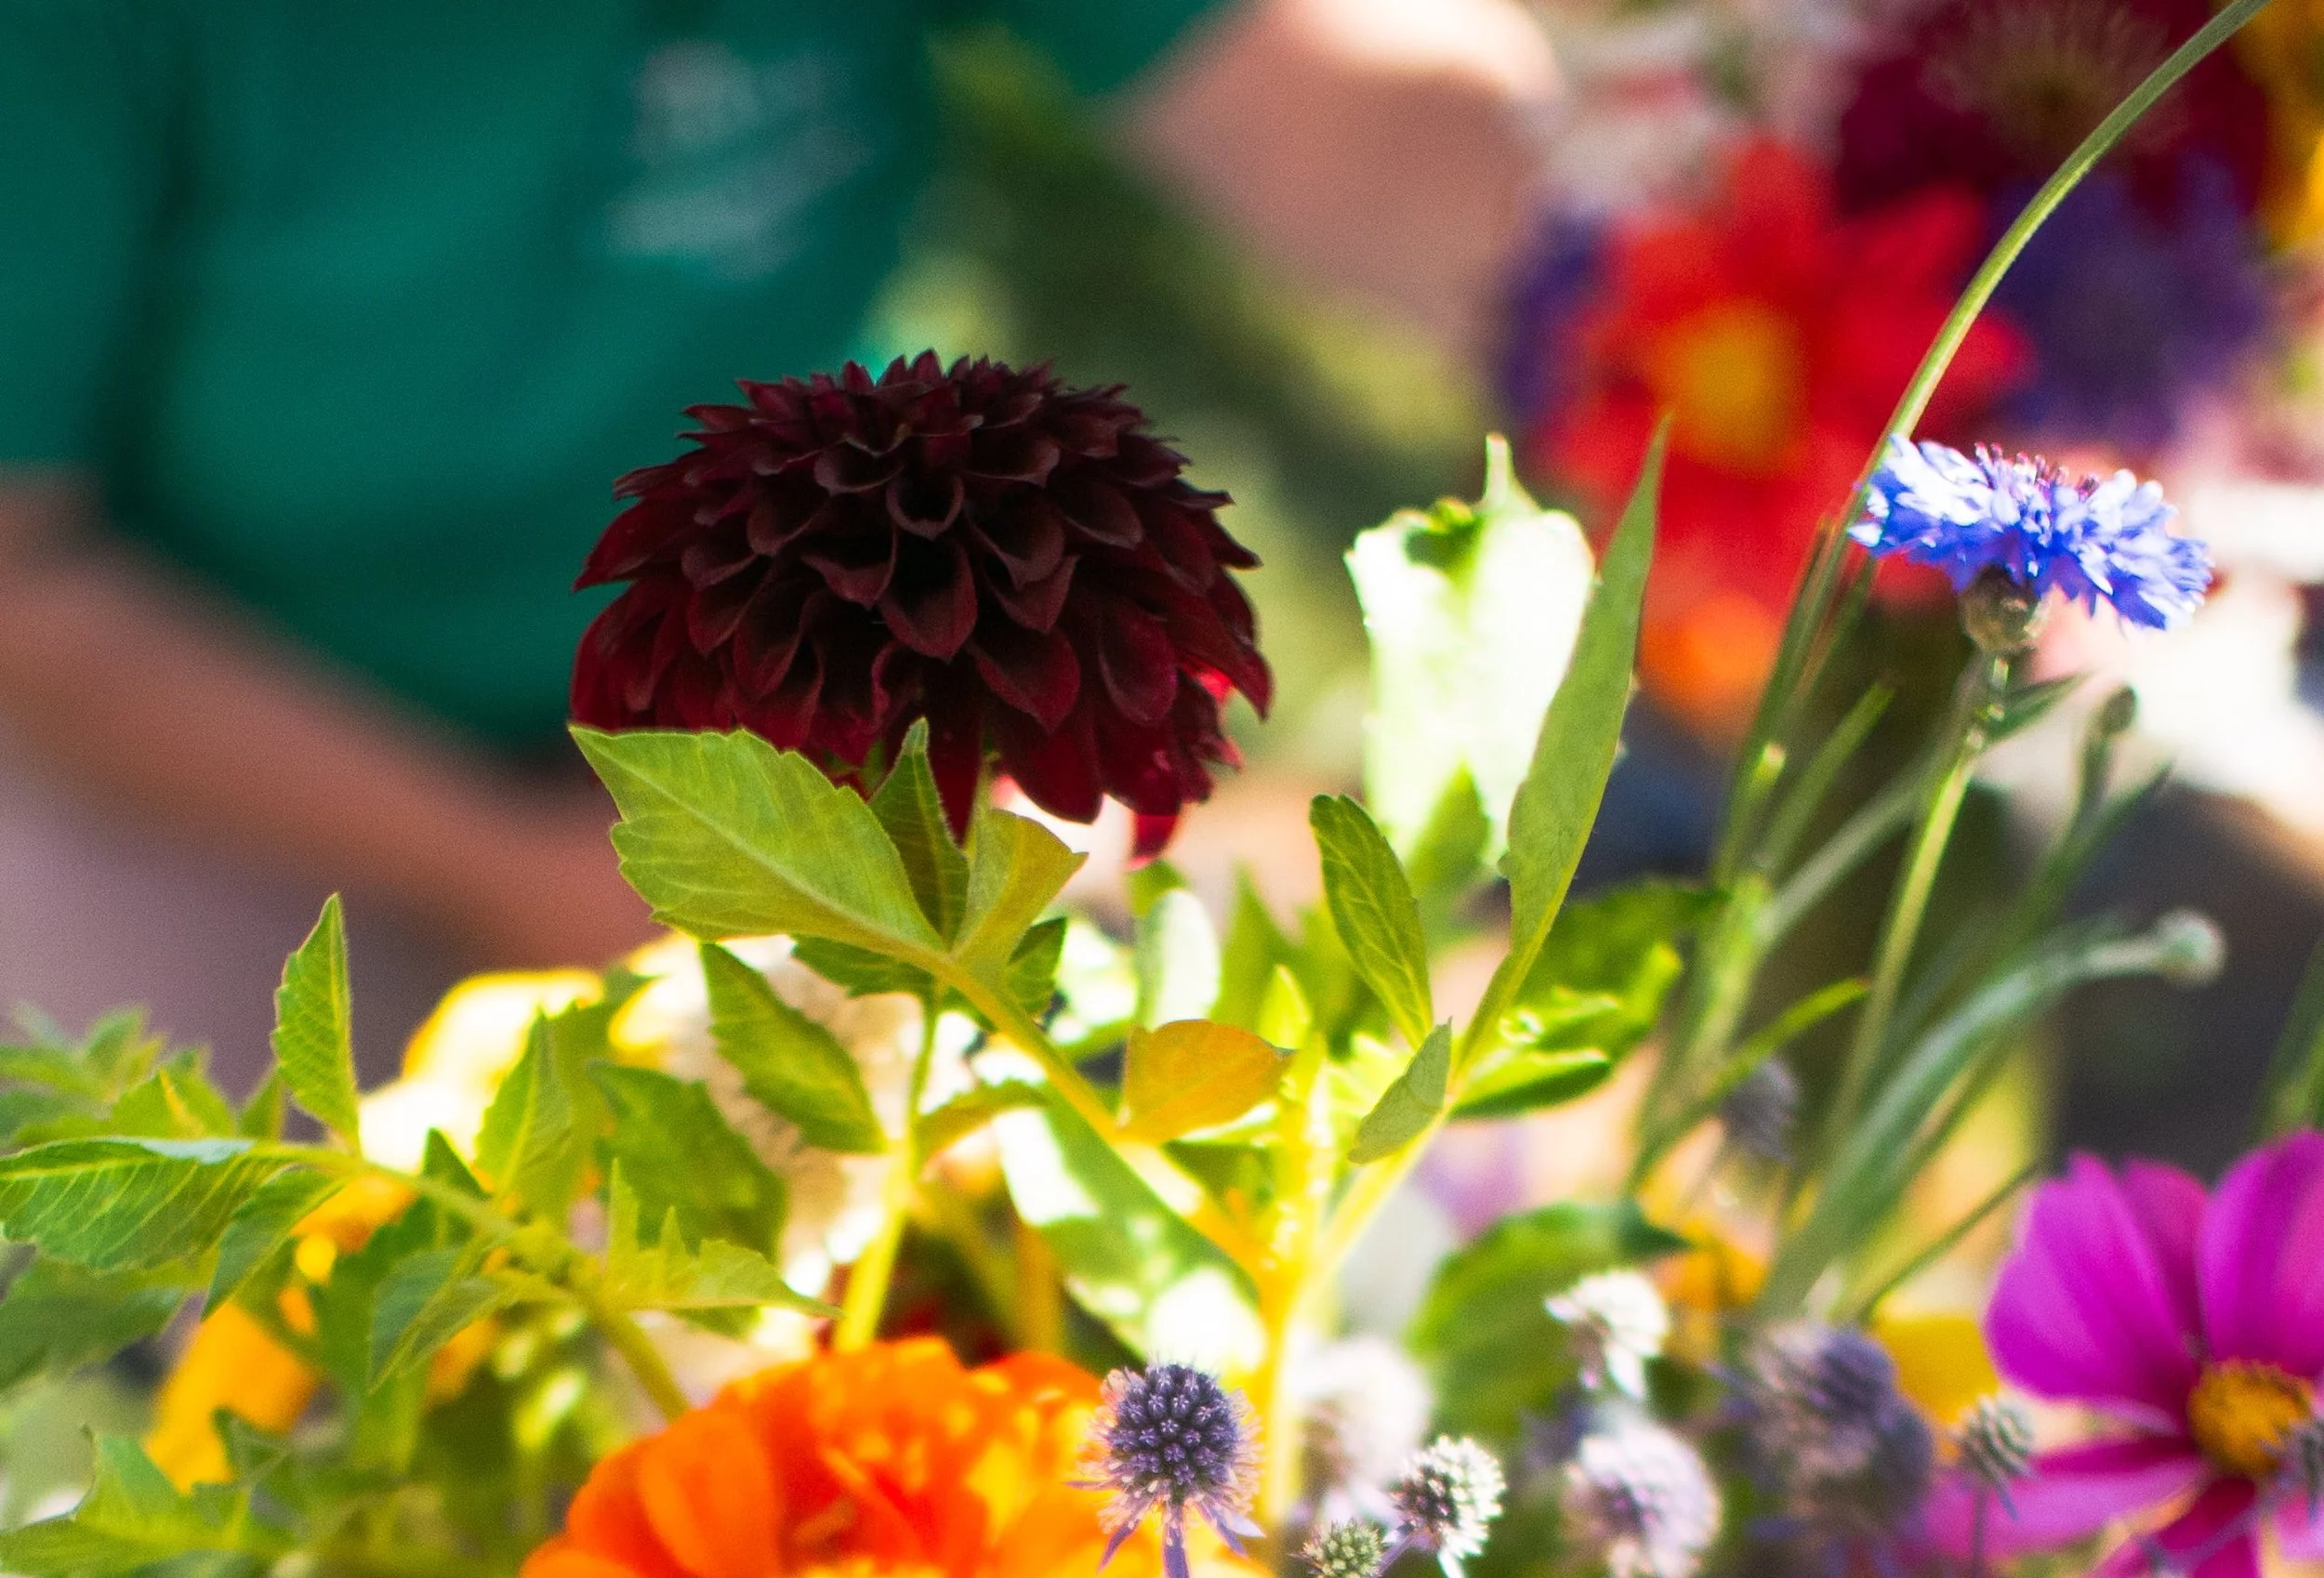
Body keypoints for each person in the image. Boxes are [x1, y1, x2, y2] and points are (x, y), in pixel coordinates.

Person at [0, 0, 1555, 1085]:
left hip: (796, 713)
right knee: (353, 1380)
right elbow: (28, 598)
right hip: (214, 770)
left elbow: (1317, 115)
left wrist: (1659, 251)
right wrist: (512, 867)